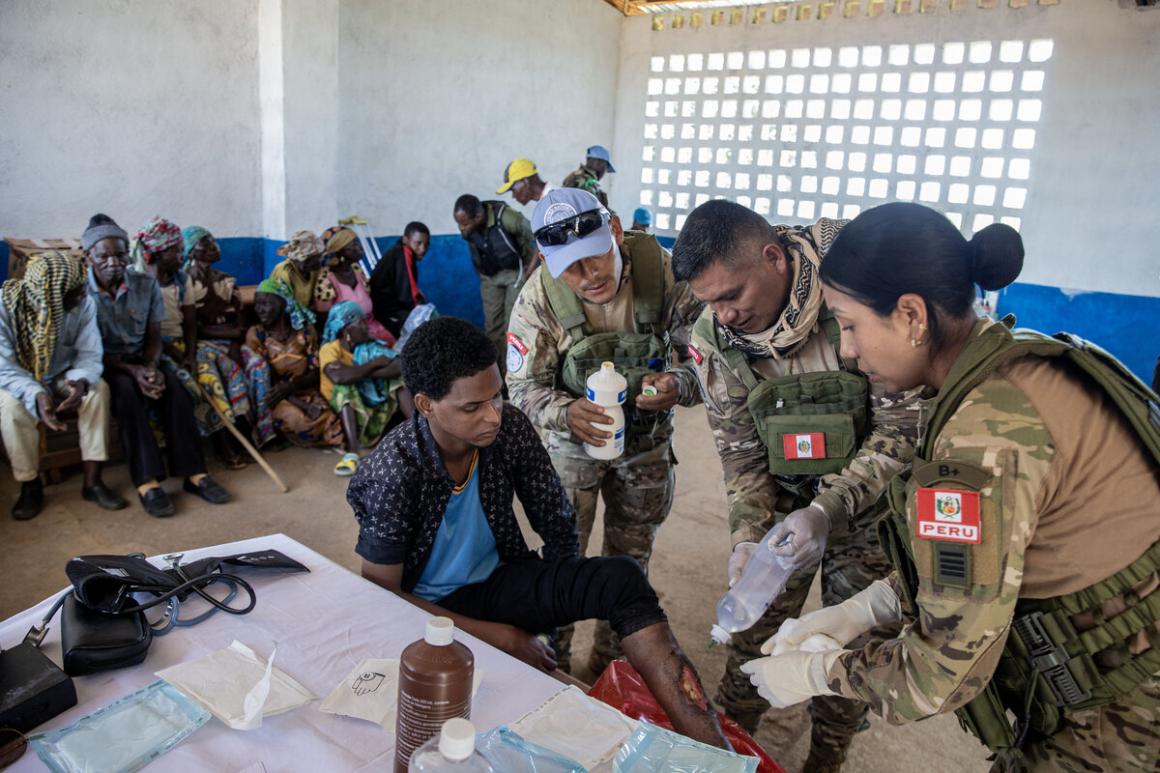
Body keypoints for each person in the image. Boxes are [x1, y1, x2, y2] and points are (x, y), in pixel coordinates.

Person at [741, 202, 1160, 772]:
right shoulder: (1012, 365)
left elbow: (939, 673)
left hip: (1127, 712)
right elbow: (985, 559)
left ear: (911, 315)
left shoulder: (985, 435)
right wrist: (871, 605)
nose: (847, 351)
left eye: (850, 324)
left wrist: (822, 672)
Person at [349, 317, 731, 750]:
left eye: (496, 396)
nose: (493, 415)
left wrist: (555, 606)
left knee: (622, 578)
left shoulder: (508, 428)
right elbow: (381, 593)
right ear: (426, 404)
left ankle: (715, 751)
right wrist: (501, 636)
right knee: (501, 687)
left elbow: (554, 519)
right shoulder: (394, 471)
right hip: (425, 615)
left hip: (497, 583)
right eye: (472, 408)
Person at [672, 200, 924, 770]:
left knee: (845, 647)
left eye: (731, 295)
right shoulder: (716, 339)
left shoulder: (855, 295)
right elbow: (741, 456)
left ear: (774, 258)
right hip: (784, 504)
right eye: (709, 302)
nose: (724, 314)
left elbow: (901, 430)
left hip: (870, 507)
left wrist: (828, 510)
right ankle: (730, 750)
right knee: (752, 636)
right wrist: (747, 539)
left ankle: (825, 759)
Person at [506, 188, 703, 676]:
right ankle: (554, 668)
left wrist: (678, 384)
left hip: (645, 444)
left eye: (594, 257)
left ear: (614, 229)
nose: (587, 276)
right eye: (569, 268)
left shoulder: (664, 274)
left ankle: (611, 667)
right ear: (546, 261)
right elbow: (521, 387)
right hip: (571, 448)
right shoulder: (539, 298)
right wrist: (564, 412)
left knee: (629, 561)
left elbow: (709, 362)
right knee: (563, 561)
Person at [83, 214, 229, 518]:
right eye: (104, 256)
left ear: (129, 254)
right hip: (105, 363)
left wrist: (150, 366)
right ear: (89, 257)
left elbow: (153, 334)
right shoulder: (81, 293)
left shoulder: (144, 284)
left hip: (143, 356)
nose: (113, 263)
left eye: (120, 255)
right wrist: (134, 372)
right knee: (127, 397)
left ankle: (194, 474)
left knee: (177, 391)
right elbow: (87, 350)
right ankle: (147, 481)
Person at [0, 251, 125, 519]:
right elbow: (4, 367)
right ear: (51, 293)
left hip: (63, 374)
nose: (83, 295)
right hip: (19, 377)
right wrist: (36, 393)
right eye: (76, 292)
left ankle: (92, 481)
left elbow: (89, 354)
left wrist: (80, 381)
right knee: (10, 408)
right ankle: (30, 484)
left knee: (97, 391)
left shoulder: (84, 304)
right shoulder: (5, 307)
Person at [135, 217, 252, 466]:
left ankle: (235, 439)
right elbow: (146, 331)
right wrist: (178, 356)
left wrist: (189, 354)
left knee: (219, 372)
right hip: (154, 349)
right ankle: (217, 444)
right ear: (158, 253)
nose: (182, 254)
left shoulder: (181, 279)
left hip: (183, 343)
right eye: (176, 250)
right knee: (198, 382)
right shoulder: (139, 282)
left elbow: (189, 322)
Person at [244, 278, 343, 450]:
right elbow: (268, 382)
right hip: (276, 397)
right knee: (300, 421)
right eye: (257, 304)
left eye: (265, 303)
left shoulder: (304, 332)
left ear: (282, 304)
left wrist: (293, 387)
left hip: (304, 389)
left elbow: (316, 371)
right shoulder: (257, 335)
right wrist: (301, 404)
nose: (259, 309)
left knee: (329, 417)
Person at [319, 301, 410, 476]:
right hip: (344, 414)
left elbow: (398, 366)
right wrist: (373, 365)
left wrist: (359, 372)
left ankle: (423, 432)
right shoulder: (329, 349)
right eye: (360, 323)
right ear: (346, 330)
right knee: (345, 387)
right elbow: (339, 377)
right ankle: (352, 453)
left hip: (373, 408)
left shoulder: (369, 346)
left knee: (396, 381)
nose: (366, 327)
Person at [452, 194, 536, 368]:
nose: (462, 228)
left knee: (513, 325)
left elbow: (538, 238)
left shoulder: (508, 217)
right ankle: (497, 371)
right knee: (492, 328)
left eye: (465, 224)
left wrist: (529, 272)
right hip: (490, 277)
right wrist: (481, 274)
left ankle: (514, 371)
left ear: (478, 217)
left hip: (516, 274)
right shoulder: (468, 227)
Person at [314, 226, 395, 343]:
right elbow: (326, 322)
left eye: (358, 243)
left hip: (372, 327)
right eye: (354, 245)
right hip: (349, 337)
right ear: (340, 251)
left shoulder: (356, 269)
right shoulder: (326, 280)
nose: (360, 248)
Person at [369, 222, 430, 340]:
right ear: (405, 240)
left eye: (426, 245)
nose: (423, 249)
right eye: (418, 243)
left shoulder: (400, 252)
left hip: (391, 309)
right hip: (388, 313)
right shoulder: (403, 254)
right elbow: (407, 295)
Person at [269, 230, 325, 309]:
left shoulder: (314, 270)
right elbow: (283, 306)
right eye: (316, 258)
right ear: (302, 258)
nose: (320, 261)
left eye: (320, 256)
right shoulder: (284, 271)